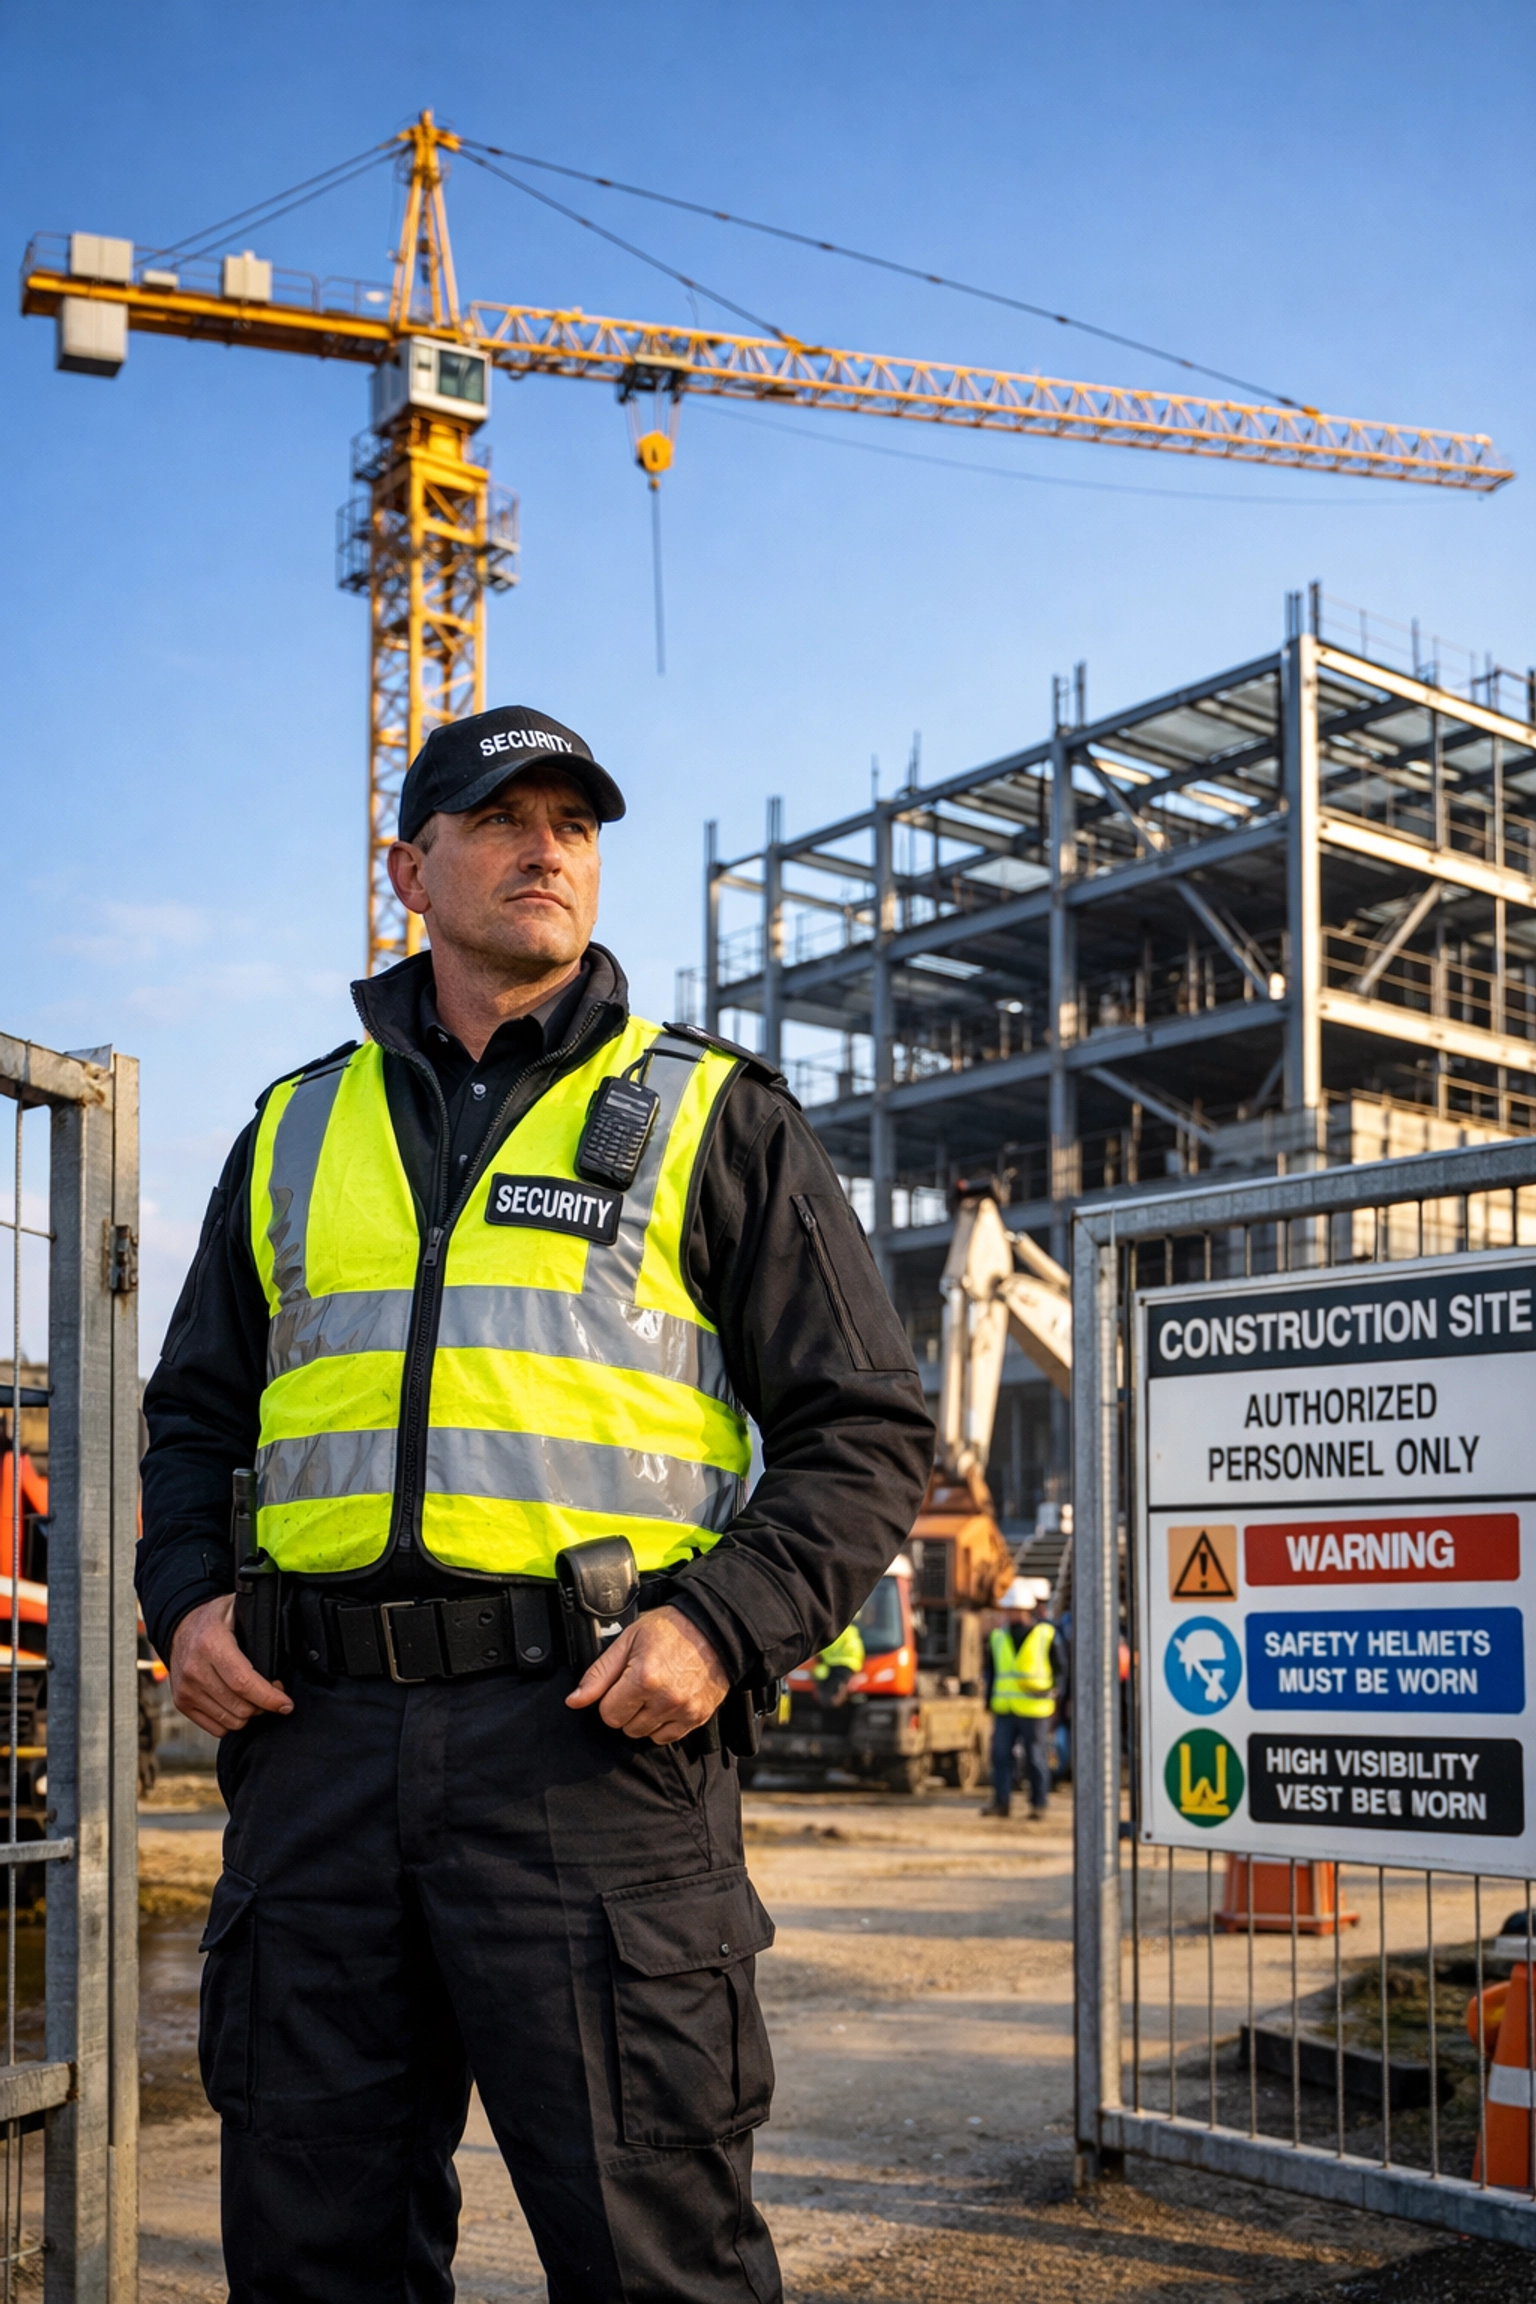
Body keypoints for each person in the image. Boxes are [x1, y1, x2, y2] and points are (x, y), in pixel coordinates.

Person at [137, 703, 934, 2304]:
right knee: (313, 2254)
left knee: (656, 2262)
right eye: (502, 819)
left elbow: (865, 1430)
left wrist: (722, 1625)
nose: (546, 848)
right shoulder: (295, 1128)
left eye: (574, 824)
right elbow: (196, 1417)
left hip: (590, 1745)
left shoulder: (717, 1115)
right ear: (408, 864)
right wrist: (183, 1596)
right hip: (319, 1752)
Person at [980, 1577, 1060, 1820]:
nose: (1012, 1614)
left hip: (1035, 1709)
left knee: (1036, 1758)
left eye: (1016, 1609)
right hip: (1005, 1708)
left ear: (1028, 1610)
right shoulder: (998, 1637)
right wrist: (987, 1701)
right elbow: (991, 1673)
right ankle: (1001, 1802)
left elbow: (1060, 1669)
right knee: (1001, 1756)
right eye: (1010, 1609)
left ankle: (1038, 1804)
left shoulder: (1045, 1635)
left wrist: (1052, 1693)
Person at [808, 1620, 865, 1708]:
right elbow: (858, 1651)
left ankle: (830, 1705)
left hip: (833, 1664)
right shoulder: (852, 1631)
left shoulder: (832, 1631)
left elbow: (823, 1648)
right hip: (849, 1666)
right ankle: (836, 1703)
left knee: (820, 1675)